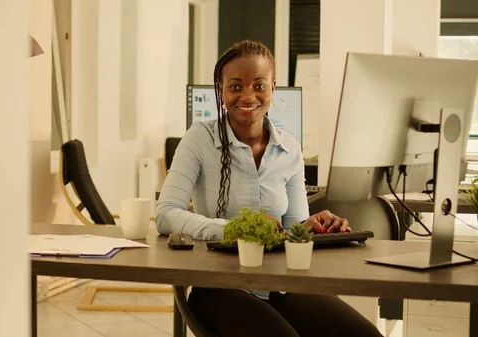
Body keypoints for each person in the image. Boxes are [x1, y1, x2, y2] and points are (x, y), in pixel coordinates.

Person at [155, 40, 383, 337]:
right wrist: (235, 228)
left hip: (281, 283)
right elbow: (165, 214)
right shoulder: (199, 139)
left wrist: (311, 226)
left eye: (258, 85)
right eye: (235, 87)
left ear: (273, 88)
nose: (247, 95)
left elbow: (292, 228)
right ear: (221, 92)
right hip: (219, 286)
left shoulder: (289, 149)